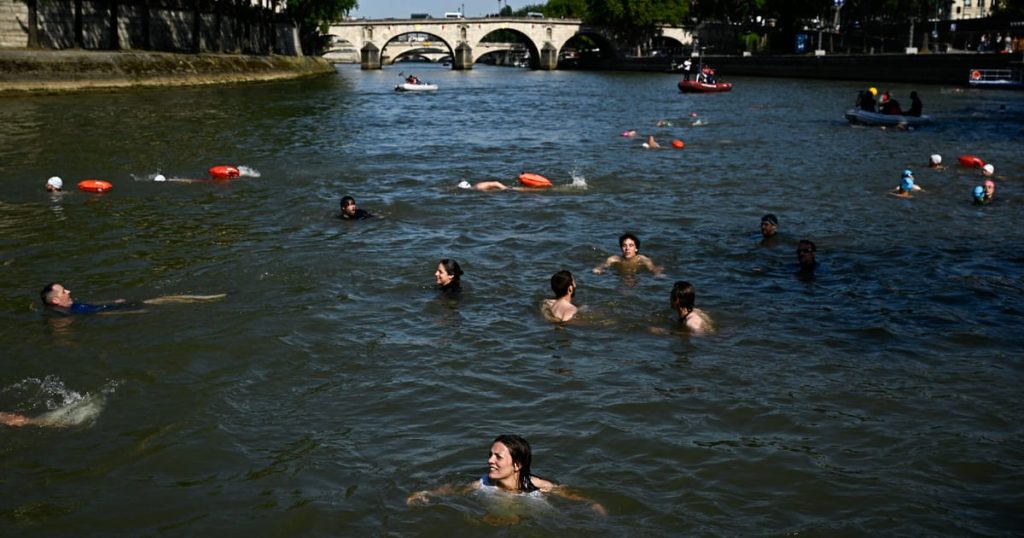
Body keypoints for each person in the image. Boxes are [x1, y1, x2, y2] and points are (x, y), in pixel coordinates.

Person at [406, 434, 606, 515]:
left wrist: (593, 505)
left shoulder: (538, 486)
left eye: (498, 457)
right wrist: (427, 493)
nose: (490, 461)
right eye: (490, 455)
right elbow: (454, 490)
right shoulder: (483, 484)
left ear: (517, 465)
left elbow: (570, 495)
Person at [40, 282, 225, 315]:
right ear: (55, 301)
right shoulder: (64, 317)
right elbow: (99, 315)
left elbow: (90, 306)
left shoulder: (71, 308)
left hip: (118, 307)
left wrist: (114, 302)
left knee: (166, 298)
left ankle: (208, 297)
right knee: (166, 299)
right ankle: (210, 298)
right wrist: (132, 313)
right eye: (64, 291)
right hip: (121, 311)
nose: (69, 291)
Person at [593, 233, 662, 275]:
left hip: (636, 276)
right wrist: (599, 268)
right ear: (621, 248)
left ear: (636, 248)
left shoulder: (642, 259)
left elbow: (652, 268)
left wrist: (658, 273)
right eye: (624, 245)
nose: (627, 248)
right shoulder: (615, 259)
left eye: (631, 245)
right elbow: (605, 265)